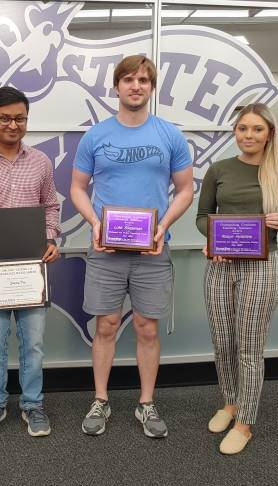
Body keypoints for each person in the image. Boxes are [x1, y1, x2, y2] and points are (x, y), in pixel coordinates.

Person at [70, 55, 193, 438]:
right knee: (105, 325)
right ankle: (101, 399)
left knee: (146, 328)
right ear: (117, 86)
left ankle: (146, 403)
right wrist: (94, 222)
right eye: (128, 79)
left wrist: (164, 225)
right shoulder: (96, 135)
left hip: (153, 250)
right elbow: (77, 188)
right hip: (106, 250)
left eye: (143, 79)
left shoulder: (169, 134)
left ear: (151, 87)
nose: (135, 86)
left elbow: (186, 188)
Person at [196, 103, 278, 455]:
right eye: (243, 128)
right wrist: (212, 242)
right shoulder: (219, 169)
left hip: (262, 267)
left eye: (257, 129)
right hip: (221, 265)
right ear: (235, 132)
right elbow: (202, 216)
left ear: (269, 133)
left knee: (249, 349)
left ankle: (245, 421)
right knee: (223, 342)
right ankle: (229, 403)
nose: (249, 135)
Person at [0, 86, 60, 437]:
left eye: (20, 118)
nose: (13, 125)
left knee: (33, 344)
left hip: (31, 272)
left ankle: (33, 405)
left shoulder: (41, 163)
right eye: (5, 118)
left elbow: (51, 205)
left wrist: (50, 236)